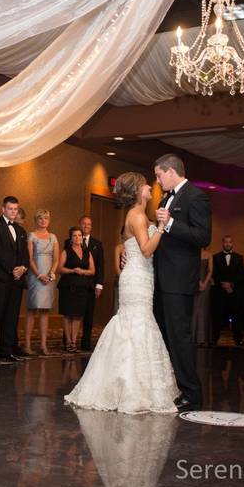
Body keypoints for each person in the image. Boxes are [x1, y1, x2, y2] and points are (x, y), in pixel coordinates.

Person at [65, 172, 179, 413]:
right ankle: (128, 386)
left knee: (138, 323)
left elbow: (133, 244)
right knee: (135, 324)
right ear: (138, 190)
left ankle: (136, 384)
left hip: (142, 276)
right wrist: (159, 227)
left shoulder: (139, 216)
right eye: (146, 184)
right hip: (136, 278)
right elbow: (147, 250)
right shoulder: (136, 216)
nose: (150, 186)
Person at [153, 153, 210, 411]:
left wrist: (172, 223)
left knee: (180, 338)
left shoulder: (195, 196)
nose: (157, 180)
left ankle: (193, 393)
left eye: (158, 175)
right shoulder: (167, 197)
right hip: (164, 278)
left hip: (179, 280)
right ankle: (179, 388)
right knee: (168, 336)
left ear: (171, 171)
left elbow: (203, 236)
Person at [0, 196, 29, 362]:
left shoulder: (21, 231)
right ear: (3, 209)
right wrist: (13, 270)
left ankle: (7, 349)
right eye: (10, 208)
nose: (13, 212)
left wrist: (23, 268)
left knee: (12, 316)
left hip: (16, 281)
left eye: (15, 209)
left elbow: (25, 254)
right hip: (1, 278)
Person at [25, 209, 58, 355]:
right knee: (32, 310)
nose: (43, 221)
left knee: (45, 311)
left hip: (49, 277)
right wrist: (39, 275)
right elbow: (30, 258)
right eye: (40, 218)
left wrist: (51, 273)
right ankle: (27, 345)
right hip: (35, 276)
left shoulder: (53, 237)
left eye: (46, 218)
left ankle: (44, 345)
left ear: (49, 220)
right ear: (36, 220)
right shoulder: (31, 236)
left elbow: (56, 259)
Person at [57, 227, 95, 353]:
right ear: (71, 238)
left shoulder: (87, 252)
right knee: (68, 315)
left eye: (79, 235)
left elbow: (92, 270)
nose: (77, 238)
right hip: (68, 287)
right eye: (75, 236)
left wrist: (83, 271)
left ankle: (74, 342)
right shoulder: (66, 252)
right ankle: (68, 342)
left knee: (78, 316)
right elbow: (60, 269)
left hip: (82, 288)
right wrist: (73, 270)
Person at [212, 235, 244, 346]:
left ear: (232, 243)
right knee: (217, 317)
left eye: (229, 242)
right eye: (225, 242)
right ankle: (214, 339)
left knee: (237, 316)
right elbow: (214, 274)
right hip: (220, 292)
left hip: (234, 292)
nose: (227, 244)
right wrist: (224, 285)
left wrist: (231, 285)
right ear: (222, 243)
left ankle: (238, 339)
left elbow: (241, 274)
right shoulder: (215, 257)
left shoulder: (239, 257)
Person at [77, 216, 104, 351]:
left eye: (89, 224)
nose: (86, 226)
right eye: (83, 224)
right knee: (73, 314)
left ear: (91, 226)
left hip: (91, 286)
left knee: (88, 315)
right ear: (80, 225)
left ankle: (86, 343)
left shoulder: (97, 244)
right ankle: (69, 341)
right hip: (75, 285)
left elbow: (100, 266)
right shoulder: (71, 241)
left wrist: (99, 285)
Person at [191, 247, 214, 347]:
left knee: (203, 310)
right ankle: (193, 337)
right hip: (194, 283)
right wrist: (198, 281)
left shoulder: (209, 254)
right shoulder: (192, 253)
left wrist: (204, 283)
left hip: (206, 285)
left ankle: (203, 339)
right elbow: (191, 268)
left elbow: (210, 271)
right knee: (194, 310)